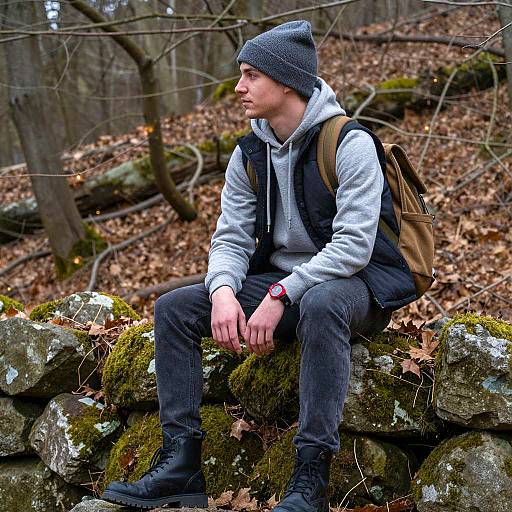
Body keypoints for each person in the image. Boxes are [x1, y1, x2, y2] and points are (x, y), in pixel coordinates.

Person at [102, 20, 417, 512]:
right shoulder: (249, 154)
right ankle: (180, 465)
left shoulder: (350, 144)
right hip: (285, 285)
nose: (239, 87)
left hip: (358, 285)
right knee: (175, 308)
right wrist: (224, 290)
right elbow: (229, 238)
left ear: (286, 82)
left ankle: (310, 479)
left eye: (250, 75)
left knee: (323, 302)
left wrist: (279, 295)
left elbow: (355, 247)